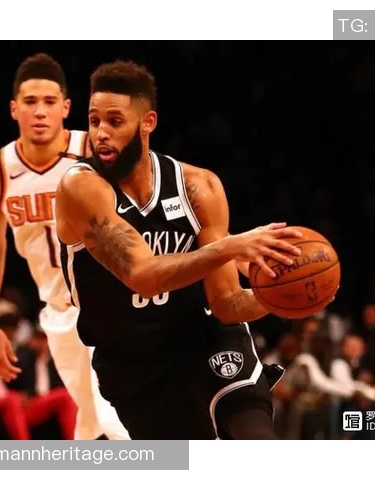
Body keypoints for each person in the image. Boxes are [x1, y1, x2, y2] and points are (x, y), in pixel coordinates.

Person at [54, 60, 303, 440]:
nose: (101, 133)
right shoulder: (80, 189)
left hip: (205, 337)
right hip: (134, 364)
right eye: (94, 120)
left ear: (147, 122)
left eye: (115, 121)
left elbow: (227, 304)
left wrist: (282, 297)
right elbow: (142, 276)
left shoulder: (198, 187)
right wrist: (228, 247)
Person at [0, 53, 129, 440]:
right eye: (30, 102)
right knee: (90, 422)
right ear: (14, 109)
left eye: (49, 101)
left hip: (110, 300)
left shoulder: (94, 150)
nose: (40, 111)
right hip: (58, 311)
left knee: (116, 419)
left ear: (66, 107)